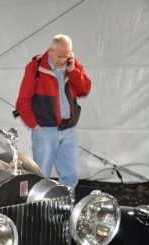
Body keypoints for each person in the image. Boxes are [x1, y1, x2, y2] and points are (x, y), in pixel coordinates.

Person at [15, 34, 91, 188]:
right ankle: (39, 208)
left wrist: (73, 71)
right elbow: (23, 101)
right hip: (45, 131)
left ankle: (65, 208)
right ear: (50, 51)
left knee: (72, 175)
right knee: (41, 177)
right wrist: (35, 125)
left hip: (68, 131)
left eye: (66, 56)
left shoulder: (74, 66)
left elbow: (84, 90)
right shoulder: (35, 67)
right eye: (59, 56)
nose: (63, 60)